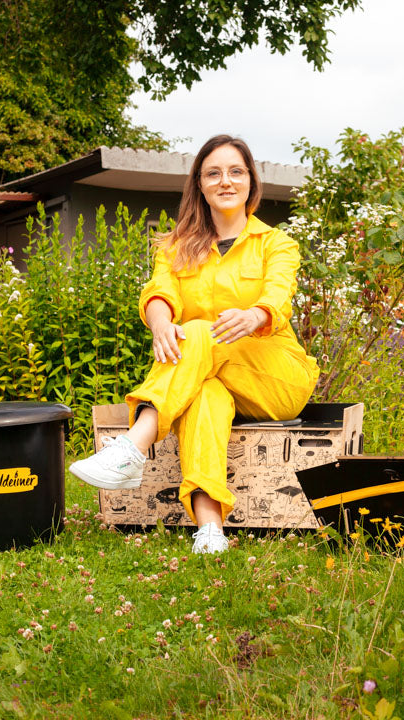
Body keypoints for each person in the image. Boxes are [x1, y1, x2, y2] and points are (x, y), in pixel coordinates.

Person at [68, 135, 320, 554]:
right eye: (213, 173)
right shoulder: (175, 247)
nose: (226, 181)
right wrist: (160, 323)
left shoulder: (276, 244)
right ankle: (210, 530)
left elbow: (279, 296)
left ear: (251, 183)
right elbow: (158, 292)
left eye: (236, 171)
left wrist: (255, 315)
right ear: (199, 185)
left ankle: (133, 446)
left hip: (276, 377)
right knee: (203, 392)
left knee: (201, 331)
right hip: (209, 370)